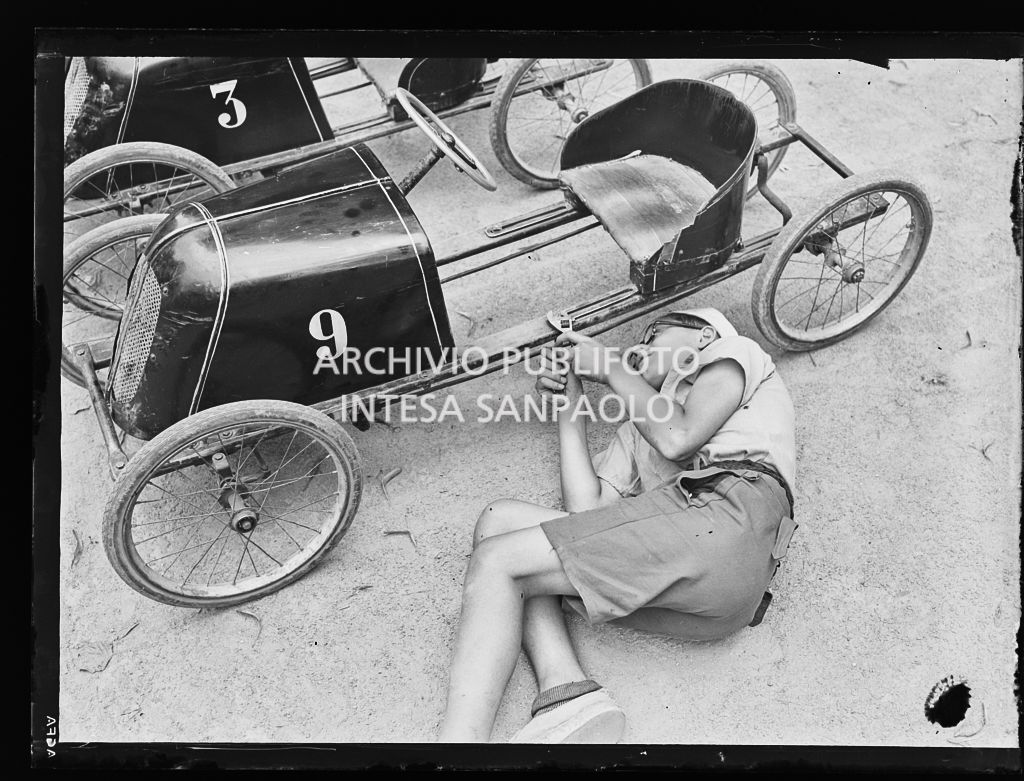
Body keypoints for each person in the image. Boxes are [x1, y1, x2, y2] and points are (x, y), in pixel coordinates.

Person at [436, 307, 797, 743]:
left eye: (654, 334)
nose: (639, 348)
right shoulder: (641, 429)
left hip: (732, 518)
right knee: (501, 523)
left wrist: (609, 368)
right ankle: (565, 691)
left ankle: (456, 751)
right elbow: (585, 513)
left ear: (703, 335)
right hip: (706, 591)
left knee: (496, 562)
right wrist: (570, 397)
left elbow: (678, 436)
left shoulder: (732, 352)